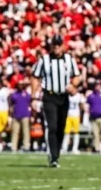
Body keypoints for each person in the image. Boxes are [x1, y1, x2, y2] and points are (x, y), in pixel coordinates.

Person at [31, 37, 81, 167]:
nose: (57, 47)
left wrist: (73, 85)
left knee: (60, 127)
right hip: (49, 96)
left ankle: (56, 153)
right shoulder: (44, 60)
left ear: (63, 46)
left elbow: (77, 75)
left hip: (63, 97)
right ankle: (53, 157)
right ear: (51, 46)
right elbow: (36, 77)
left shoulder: (69, 59)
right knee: (52, 126)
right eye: (54, 44)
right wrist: (34, 96)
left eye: (59, 44)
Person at [86, 82, 101, 154]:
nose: (97, 87)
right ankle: (96, 148)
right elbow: (87, 105)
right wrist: (89, 111)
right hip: (94, 117)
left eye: (99, 86)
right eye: (96, 86)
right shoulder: (91, 96)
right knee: (95, 134)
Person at [9, 79, 33, 152]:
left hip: (25, 115)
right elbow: (10, 104)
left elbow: (30, 103)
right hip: (16, 115)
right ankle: (14, 147)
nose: (20, 86)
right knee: (15, 132)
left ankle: (26, 146)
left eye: (21, 85)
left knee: (26, 132)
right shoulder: (14, 94)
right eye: (19, 85)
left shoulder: (27, 94)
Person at [61, 85, 85, 154]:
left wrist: (82, 115)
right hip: (68, 115)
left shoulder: (79, 96)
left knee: (76, 132)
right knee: (66, 132)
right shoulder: (66, 96)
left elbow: (82, 106)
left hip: (76, 115)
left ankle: (75, 148)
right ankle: (64, 148)